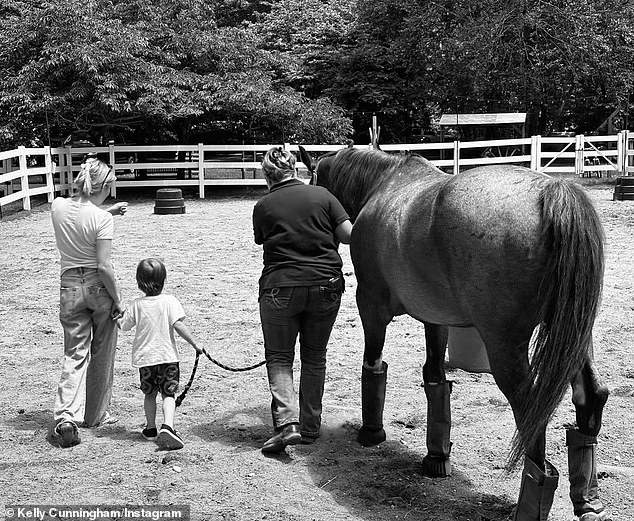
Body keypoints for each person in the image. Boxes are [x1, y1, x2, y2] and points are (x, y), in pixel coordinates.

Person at [253, 146, 353, 453]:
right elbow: (350, 234)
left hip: (281, 287)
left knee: (280, 357)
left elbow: (261, 239)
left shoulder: (263, 205)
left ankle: (288, 424)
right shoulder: (323, 196)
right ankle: (310, 426)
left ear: (267, 176)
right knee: (315, 356)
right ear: (296, 169)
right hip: (326, 285)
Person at [51, 155, 127, 448]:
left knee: (75, 353)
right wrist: (118, 299)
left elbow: (78, 216)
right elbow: (105, 266)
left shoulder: (58, 207)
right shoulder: (102, 219)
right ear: (102, 185)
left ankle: (66, 415)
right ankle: (96, 414)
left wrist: (106, 211)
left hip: (69, 285)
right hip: (98, 287)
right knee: (103, 351)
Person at [117, 258, 202, 450]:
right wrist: (196, 343)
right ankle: (168, 426)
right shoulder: (170, 301)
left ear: (139, 282)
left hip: (146, 359)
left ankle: (150, 428)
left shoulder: (136, 305)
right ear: (164, 280)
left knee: (149, 394)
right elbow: (178, 325)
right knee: (168, 394)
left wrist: (117, 315)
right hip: (168, 357)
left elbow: (124, 326)